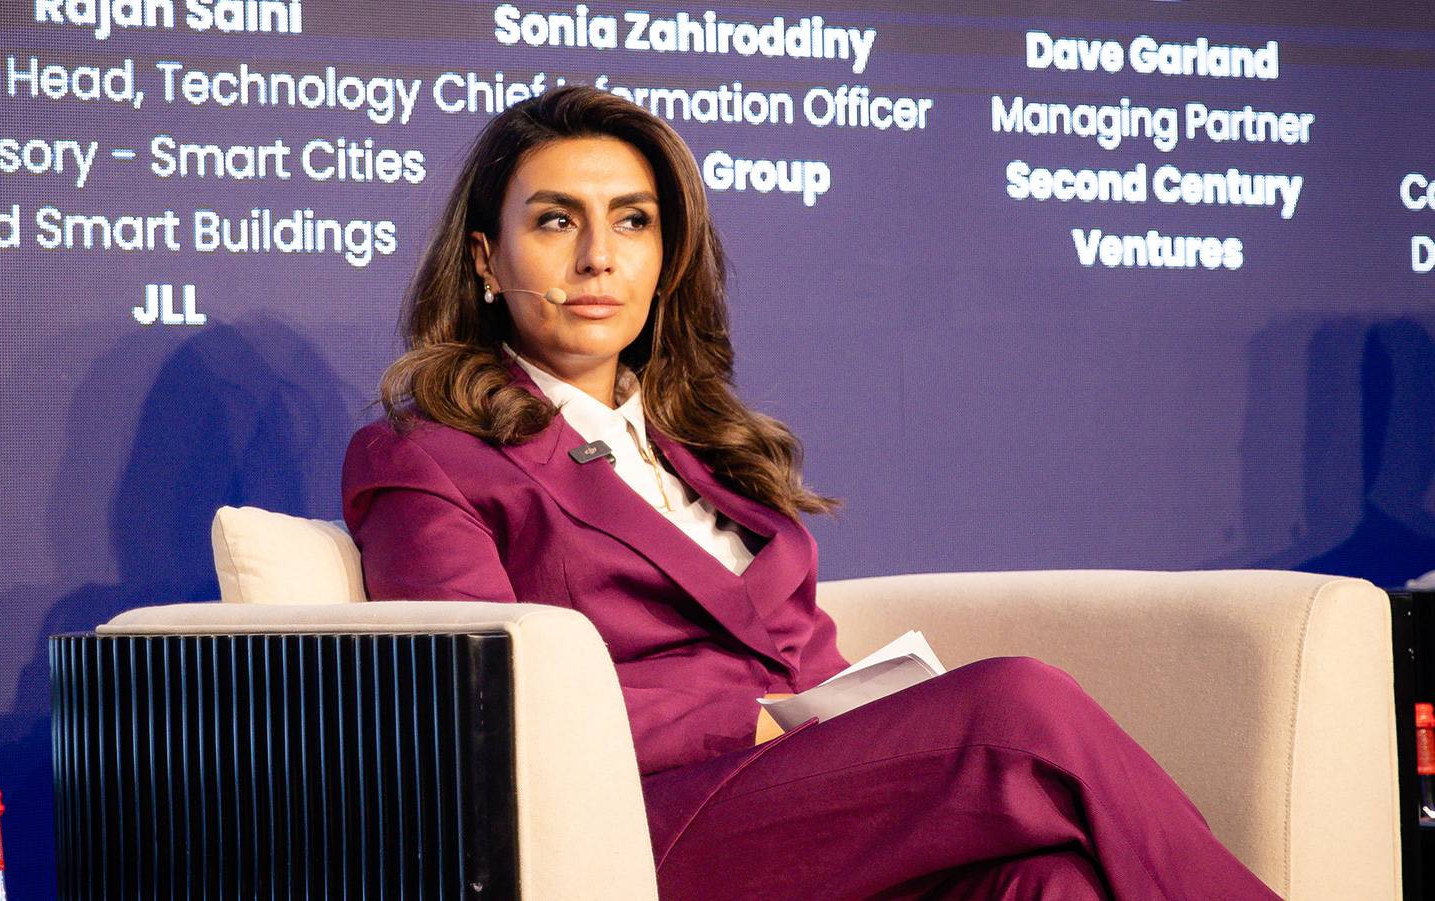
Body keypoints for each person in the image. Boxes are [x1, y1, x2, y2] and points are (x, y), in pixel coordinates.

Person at [341, 85, 1280, 900]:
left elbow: (803, 661)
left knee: (1048, 882)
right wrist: (751, 722)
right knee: (1018, 707)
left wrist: (863, 711)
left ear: (667, 259)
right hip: (633, 821)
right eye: (556, 221)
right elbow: (476, 703)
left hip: (806, 805)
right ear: (485, 259)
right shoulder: (427, 455)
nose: (598, 256)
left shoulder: (708, 453)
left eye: (632, 222)